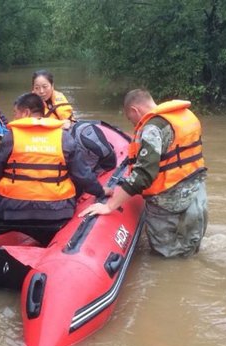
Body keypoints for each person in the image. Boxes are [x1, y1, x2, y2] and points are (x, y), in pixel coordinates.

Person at [80, 89, 208, 258]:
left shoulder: (152, 128)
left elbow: (143, 175)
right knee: (190, 253)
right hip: (197, 197)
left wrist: (109, 206)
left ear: (135, 110)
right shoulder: (184, 115)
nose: (133, 124)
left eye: (129, 118)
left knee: (165, 259)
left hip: (167, 206)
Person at [0, 93, 107, 223]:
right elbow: (82, 175)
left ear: (25, 113)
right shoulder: (64, 137)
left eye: (16, 113)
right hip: (57, 210)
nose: (14, 117)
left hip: (11, 210)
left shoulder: (10, 137)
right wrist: (100, 192)